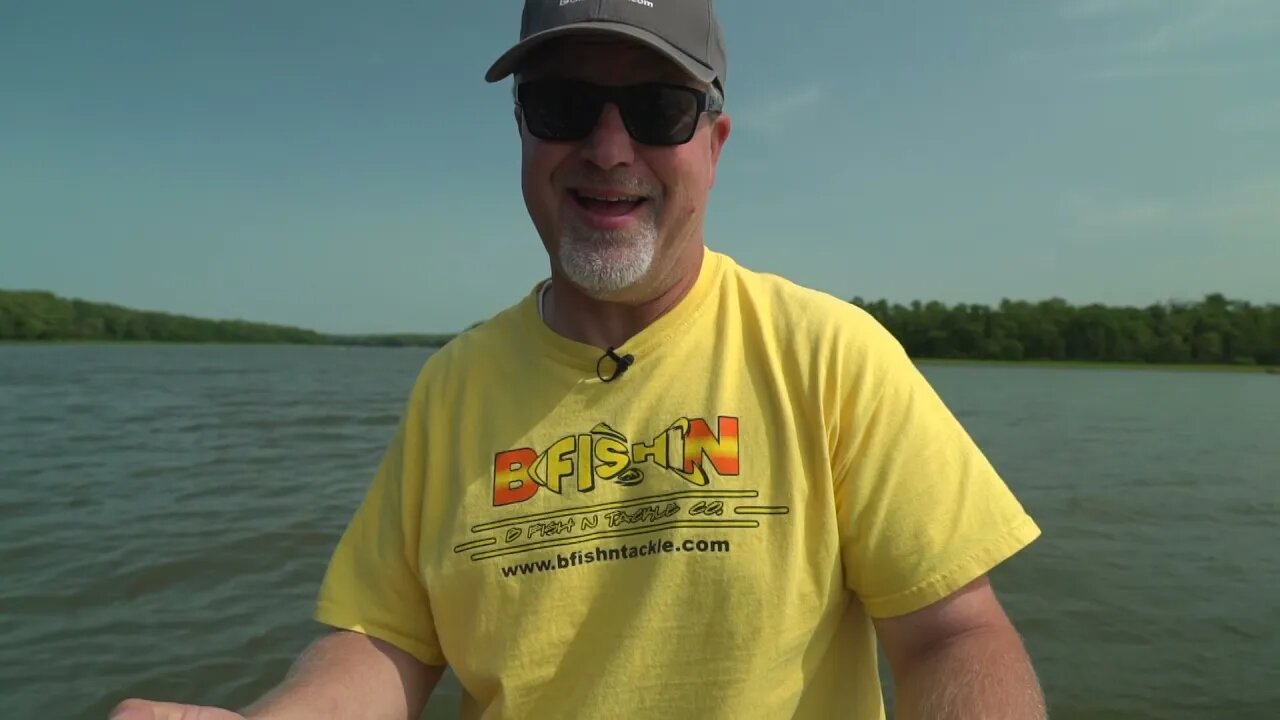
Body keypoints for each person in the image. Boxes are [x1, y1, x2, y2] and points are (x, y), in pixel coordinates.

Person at [112, 1, 1047, 718]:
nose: (608, 149)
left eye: (658, 109)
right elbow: (387, 644)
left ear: (713, 146)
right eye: (562, 106)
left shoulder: (830, 354)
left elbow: (950, 631)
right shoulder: (453, 387)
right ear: (522, 133)